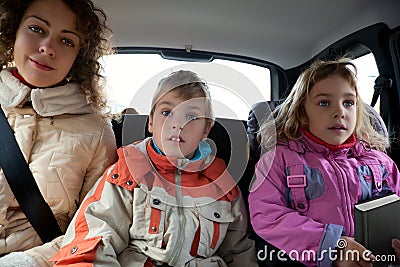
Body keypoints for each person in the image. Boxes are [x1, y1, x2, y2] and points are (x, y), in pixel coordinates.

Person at [50, 70, 258, 266]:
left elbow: (238, 251)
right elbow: (95, 238)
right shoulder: (128, 173)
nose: (177, 124)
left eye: (192, 117)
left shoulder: (223, 186)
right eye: (167, 113)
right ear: (151, 122)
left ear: (206, 130)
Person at [248, 58, 400, 267]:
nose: (339, 112)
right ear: (302, 113)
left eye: (348, 102)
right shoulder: (278, 160)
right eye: (324, 103)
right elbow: (267, 215)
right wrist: (332, 246)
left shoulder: (380, 162)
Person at [0, 0, 117, 265]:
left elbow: (94, 227)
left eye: (67, 41)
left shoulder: (97, 131)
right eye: (37, 29)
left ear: (79, 58)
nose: (47, 48)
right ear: (13, 32)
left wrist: (25, 263)